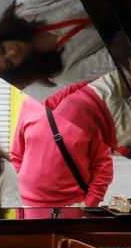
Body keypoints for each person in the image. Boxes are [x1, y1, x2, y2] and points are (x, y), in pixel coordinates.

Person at [11, 80, 117, 208]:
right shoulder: (30, 103)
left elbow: (103, 166)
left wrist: (88, 204)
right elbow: (16, 155)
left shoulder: (91, 112)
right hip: (26, 204)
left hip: (72, 205)